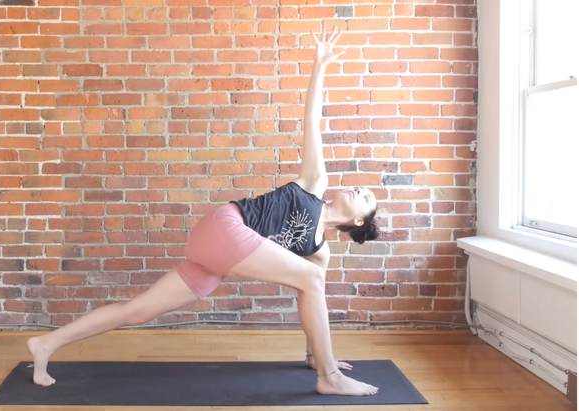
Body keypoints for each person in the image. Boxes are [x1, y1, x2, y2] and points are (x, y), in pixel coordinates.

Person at [27, 20, 380, 396]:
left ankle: (45, 345)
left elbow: (309, 300)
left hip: (213, 258)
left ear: (358, 221)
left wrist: (314, 352)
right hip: (225, 227)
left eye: (367, 198)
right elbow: (312, 123)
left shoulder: (318, 252)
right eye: (363, 188)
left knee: (138, 311)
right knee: (312, 280)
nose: (361, 189)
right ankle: (330, 378)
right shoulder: (315, 184)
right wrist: (319, 66)